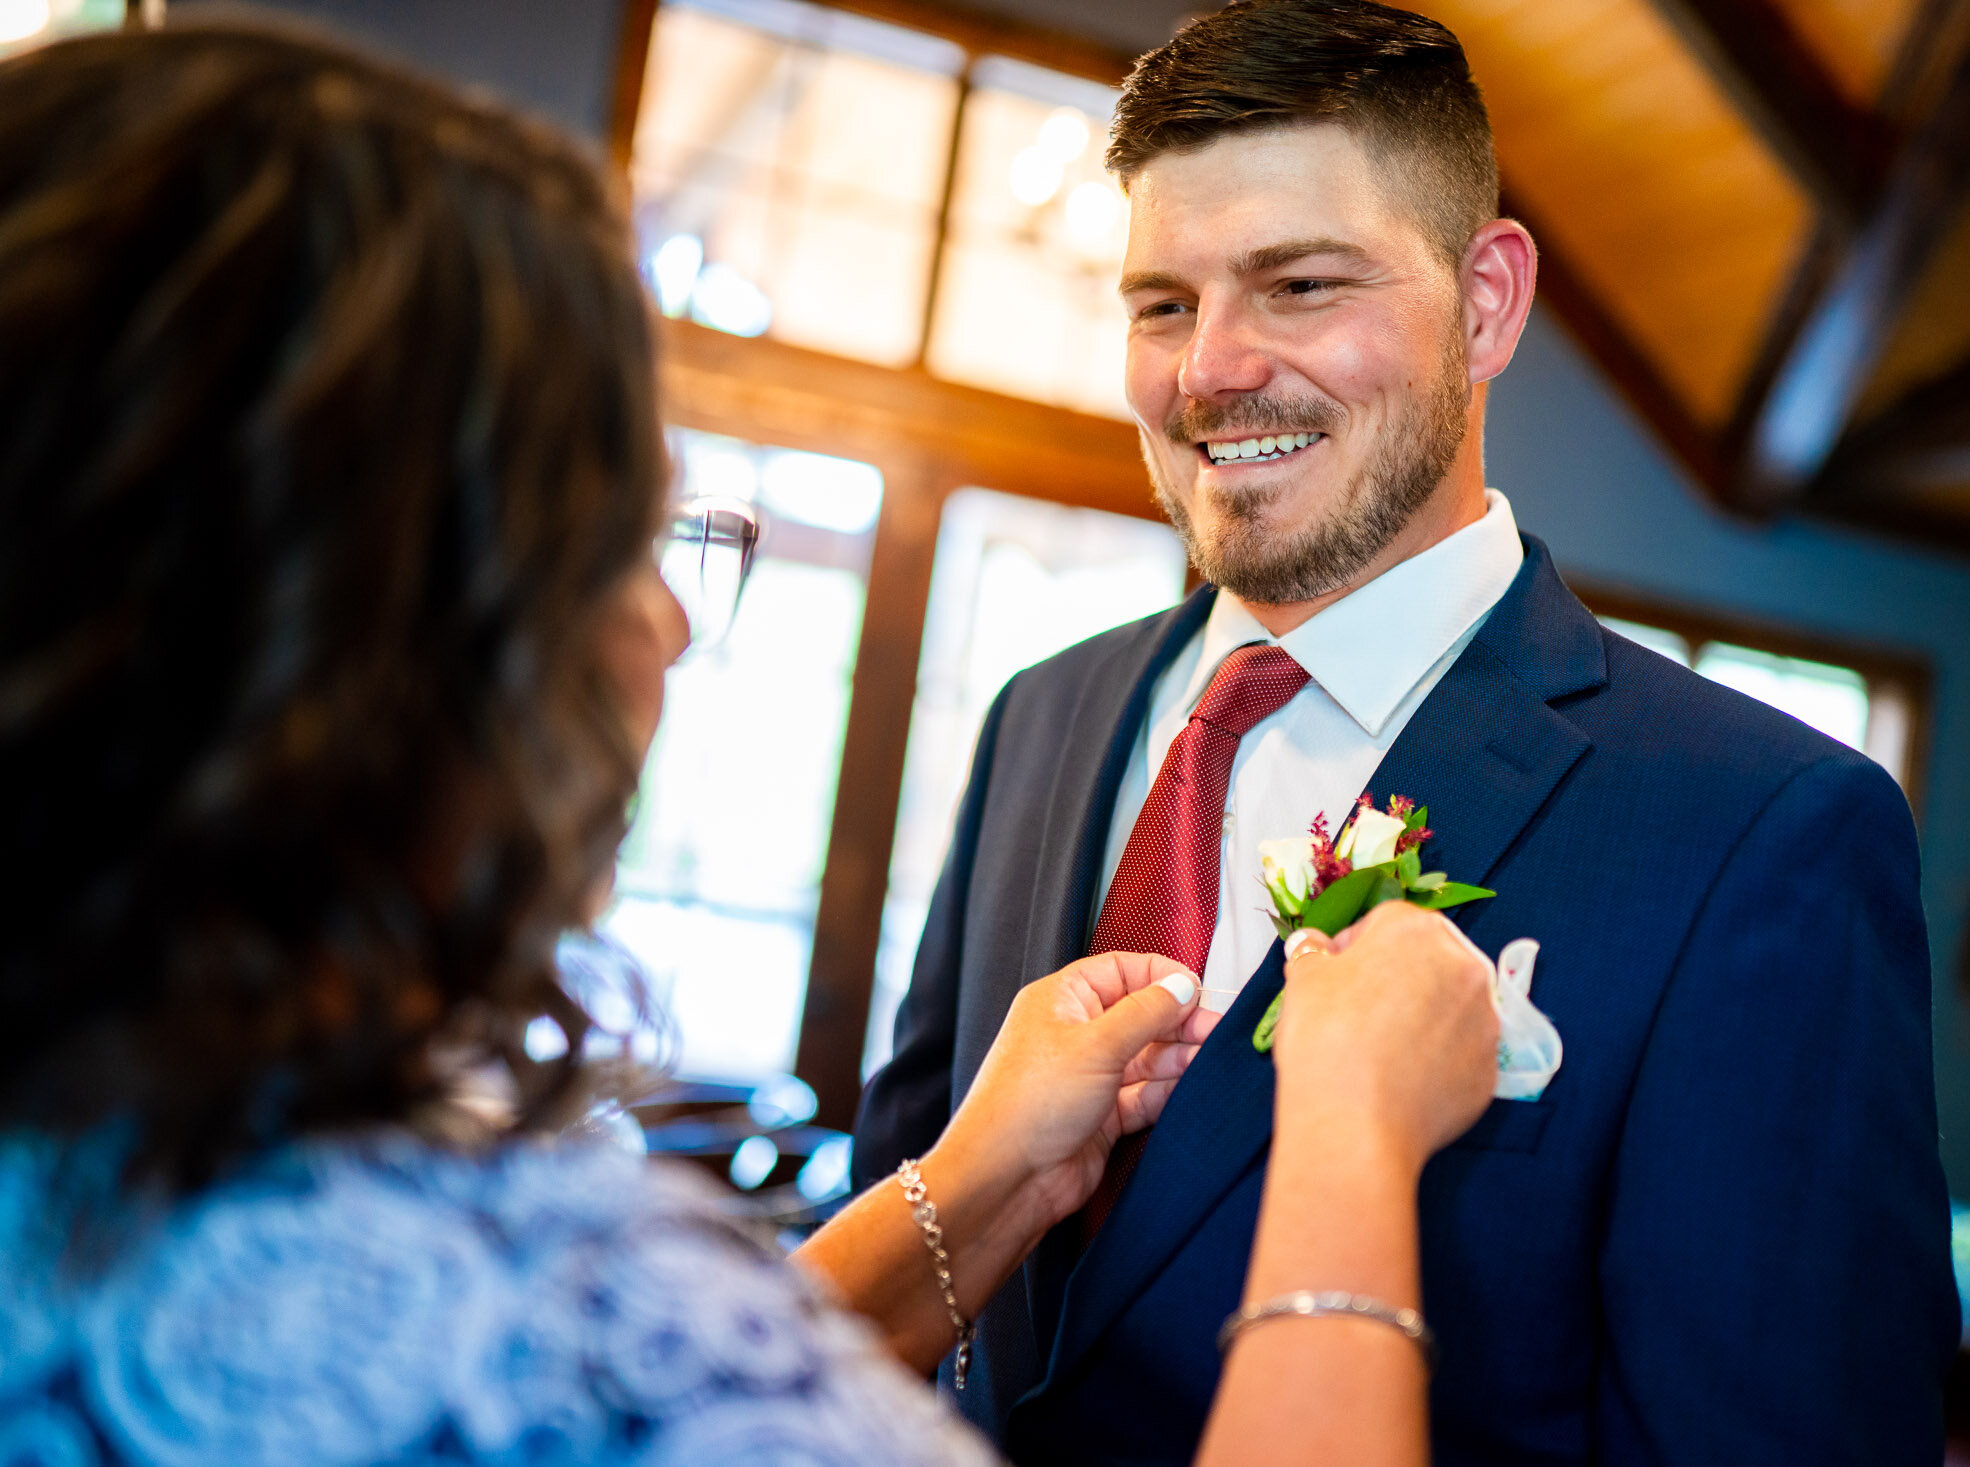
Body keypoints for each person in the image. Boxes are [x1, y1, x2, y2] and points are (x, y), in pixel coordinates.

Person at [0, 19, 1501, 1467]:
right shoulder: (556, 1326)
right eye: (611, 537)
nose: (663, 619)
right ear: (361, 640)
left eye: (1301, 284)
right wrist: (1353, 1149)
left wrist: (974, 1187)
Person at [852, 0, 1963, 1461]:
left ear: (1488, 304)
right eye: (1162, 304)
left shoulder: (1764, 834)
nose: (1210, 371)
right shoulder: (1040, 718)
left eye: (1302, 285)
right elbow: (909, 1237)